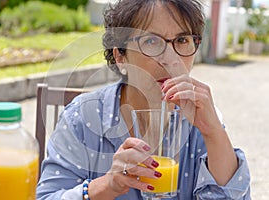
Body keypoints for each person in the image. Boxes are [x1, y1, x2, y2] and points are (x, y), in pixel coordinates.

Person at [36, 0, 251, 199]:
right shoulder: (82, 118)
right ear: (120, 56)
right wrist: (108, 184)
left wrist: (214, 132)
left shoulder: (201, 120)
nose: (170, 59)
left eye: (182, 40)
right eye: (151, 41)